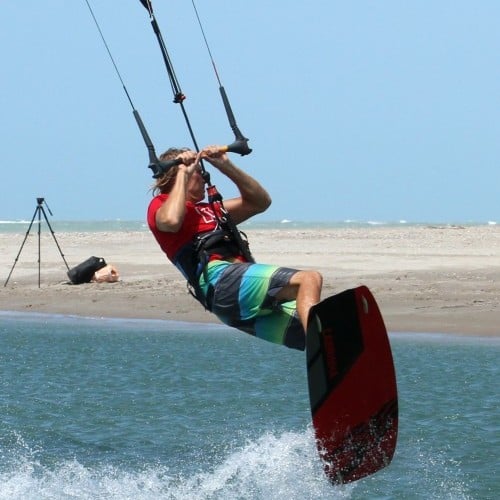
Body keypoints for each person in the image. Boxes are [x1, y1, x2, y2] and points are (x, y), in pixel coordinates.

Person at [147, 145, 323, 350]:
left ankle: (335, 359)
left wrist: (226, 165)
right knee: (308, 280)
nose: (204, 177)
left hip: (235, 299)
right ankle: (323, 347)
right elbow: (170, 221)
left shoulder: (211, 210)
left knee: (316, 327)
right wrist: (183, 176)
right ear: (179, 177)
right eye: (198, 172)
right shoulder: (160, 205)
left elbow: (260, 202)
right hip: (219, 282)